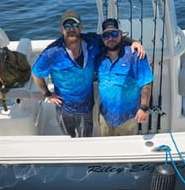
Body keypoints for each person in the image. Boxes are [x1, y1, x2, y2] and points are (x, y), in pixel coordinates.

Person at [32, 10, 145, 138]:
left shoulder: (91, 41)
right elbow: (36, 73)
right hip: (63, 107)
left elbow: (112, 37)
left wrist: (133, 42)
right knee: (68, 138)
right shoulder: (52, 53)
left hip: (86, 107)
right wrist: (48, 94)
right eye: (67, 26)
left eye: (75, 25)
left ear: (81, 27)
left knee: (86, 140)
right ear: (61, 29)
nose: (71, 29)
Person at [96, 18, 154, 136]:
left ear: (121, 34)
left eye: (114, 34)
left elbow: (146, 83)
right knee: (107, 147)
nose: (110, 38)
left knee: (127, 148)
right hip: (105, 114)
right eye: (106, 35)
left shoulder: (135, 55)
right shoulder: (98, 55)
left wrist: (143, 108)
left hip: (128, 117)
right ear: (102, 38)